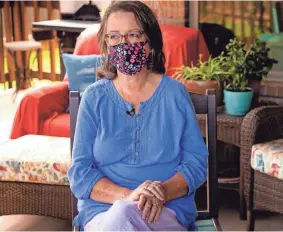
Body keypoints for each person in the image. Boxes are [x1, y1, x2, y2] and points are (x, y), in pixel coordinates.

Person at [67, 1, 208, 231]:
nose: (123, 44)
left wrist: (161, 192)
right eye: (114, 37)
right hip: (103, 212)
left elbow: (195, 163)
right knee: (122, 215)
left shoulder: (175, 94)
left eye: (133, 34)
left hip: (166, 209)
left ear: (149, 42)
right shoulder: (94, 98)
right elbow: (80, 173)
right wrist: (129, 196)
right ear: (105, 44)